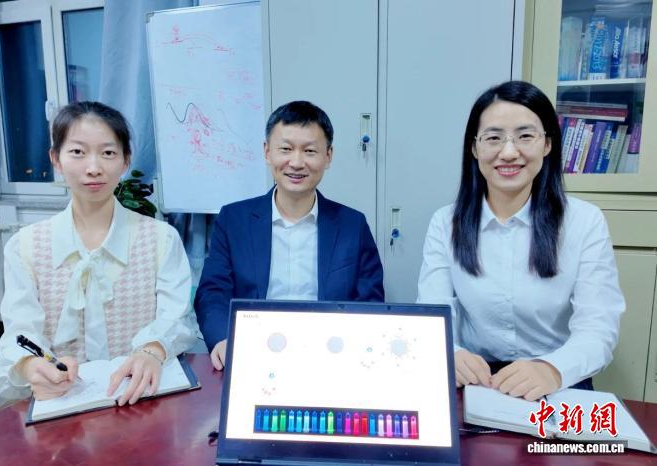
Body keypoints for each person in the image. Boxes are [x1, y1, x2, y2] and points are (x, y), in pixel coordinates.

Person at [417, 81, 625, 401]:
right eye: (494, 138)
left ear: (547, 144)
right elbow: (434, 314)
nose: (509, 152)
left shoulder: (584, 222)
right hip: (477, 379)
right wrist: (451, 353)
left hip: (556, 377)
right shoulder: (446, 223)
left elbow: (598, 327)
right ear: (474, 148)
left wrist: (551, 369)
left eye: (525, 136)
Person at [0, 101, 197, 404]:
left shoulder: (160, 239)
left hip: (142, 398)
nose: (94, 167)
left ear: (125, 161)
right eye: (77, 151)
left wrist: (151, 350)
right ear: (55, 159)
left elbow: (177, 317)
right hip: (62, 404)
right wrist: (32, 366)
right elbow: (20, 331)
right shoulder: (25, 247)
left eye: (108, 153)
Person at [195, 100, 384, 370]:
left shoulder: (353, 225)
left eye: (310, 151)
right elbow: (213, 292)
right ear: (267, 152)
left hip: (329, 356)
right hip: (252, 353)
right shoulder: (234, 219)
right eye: (285, 149)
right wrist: (223, 339)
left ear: (328, 156)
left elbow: (370, 301)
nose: (296, 162)